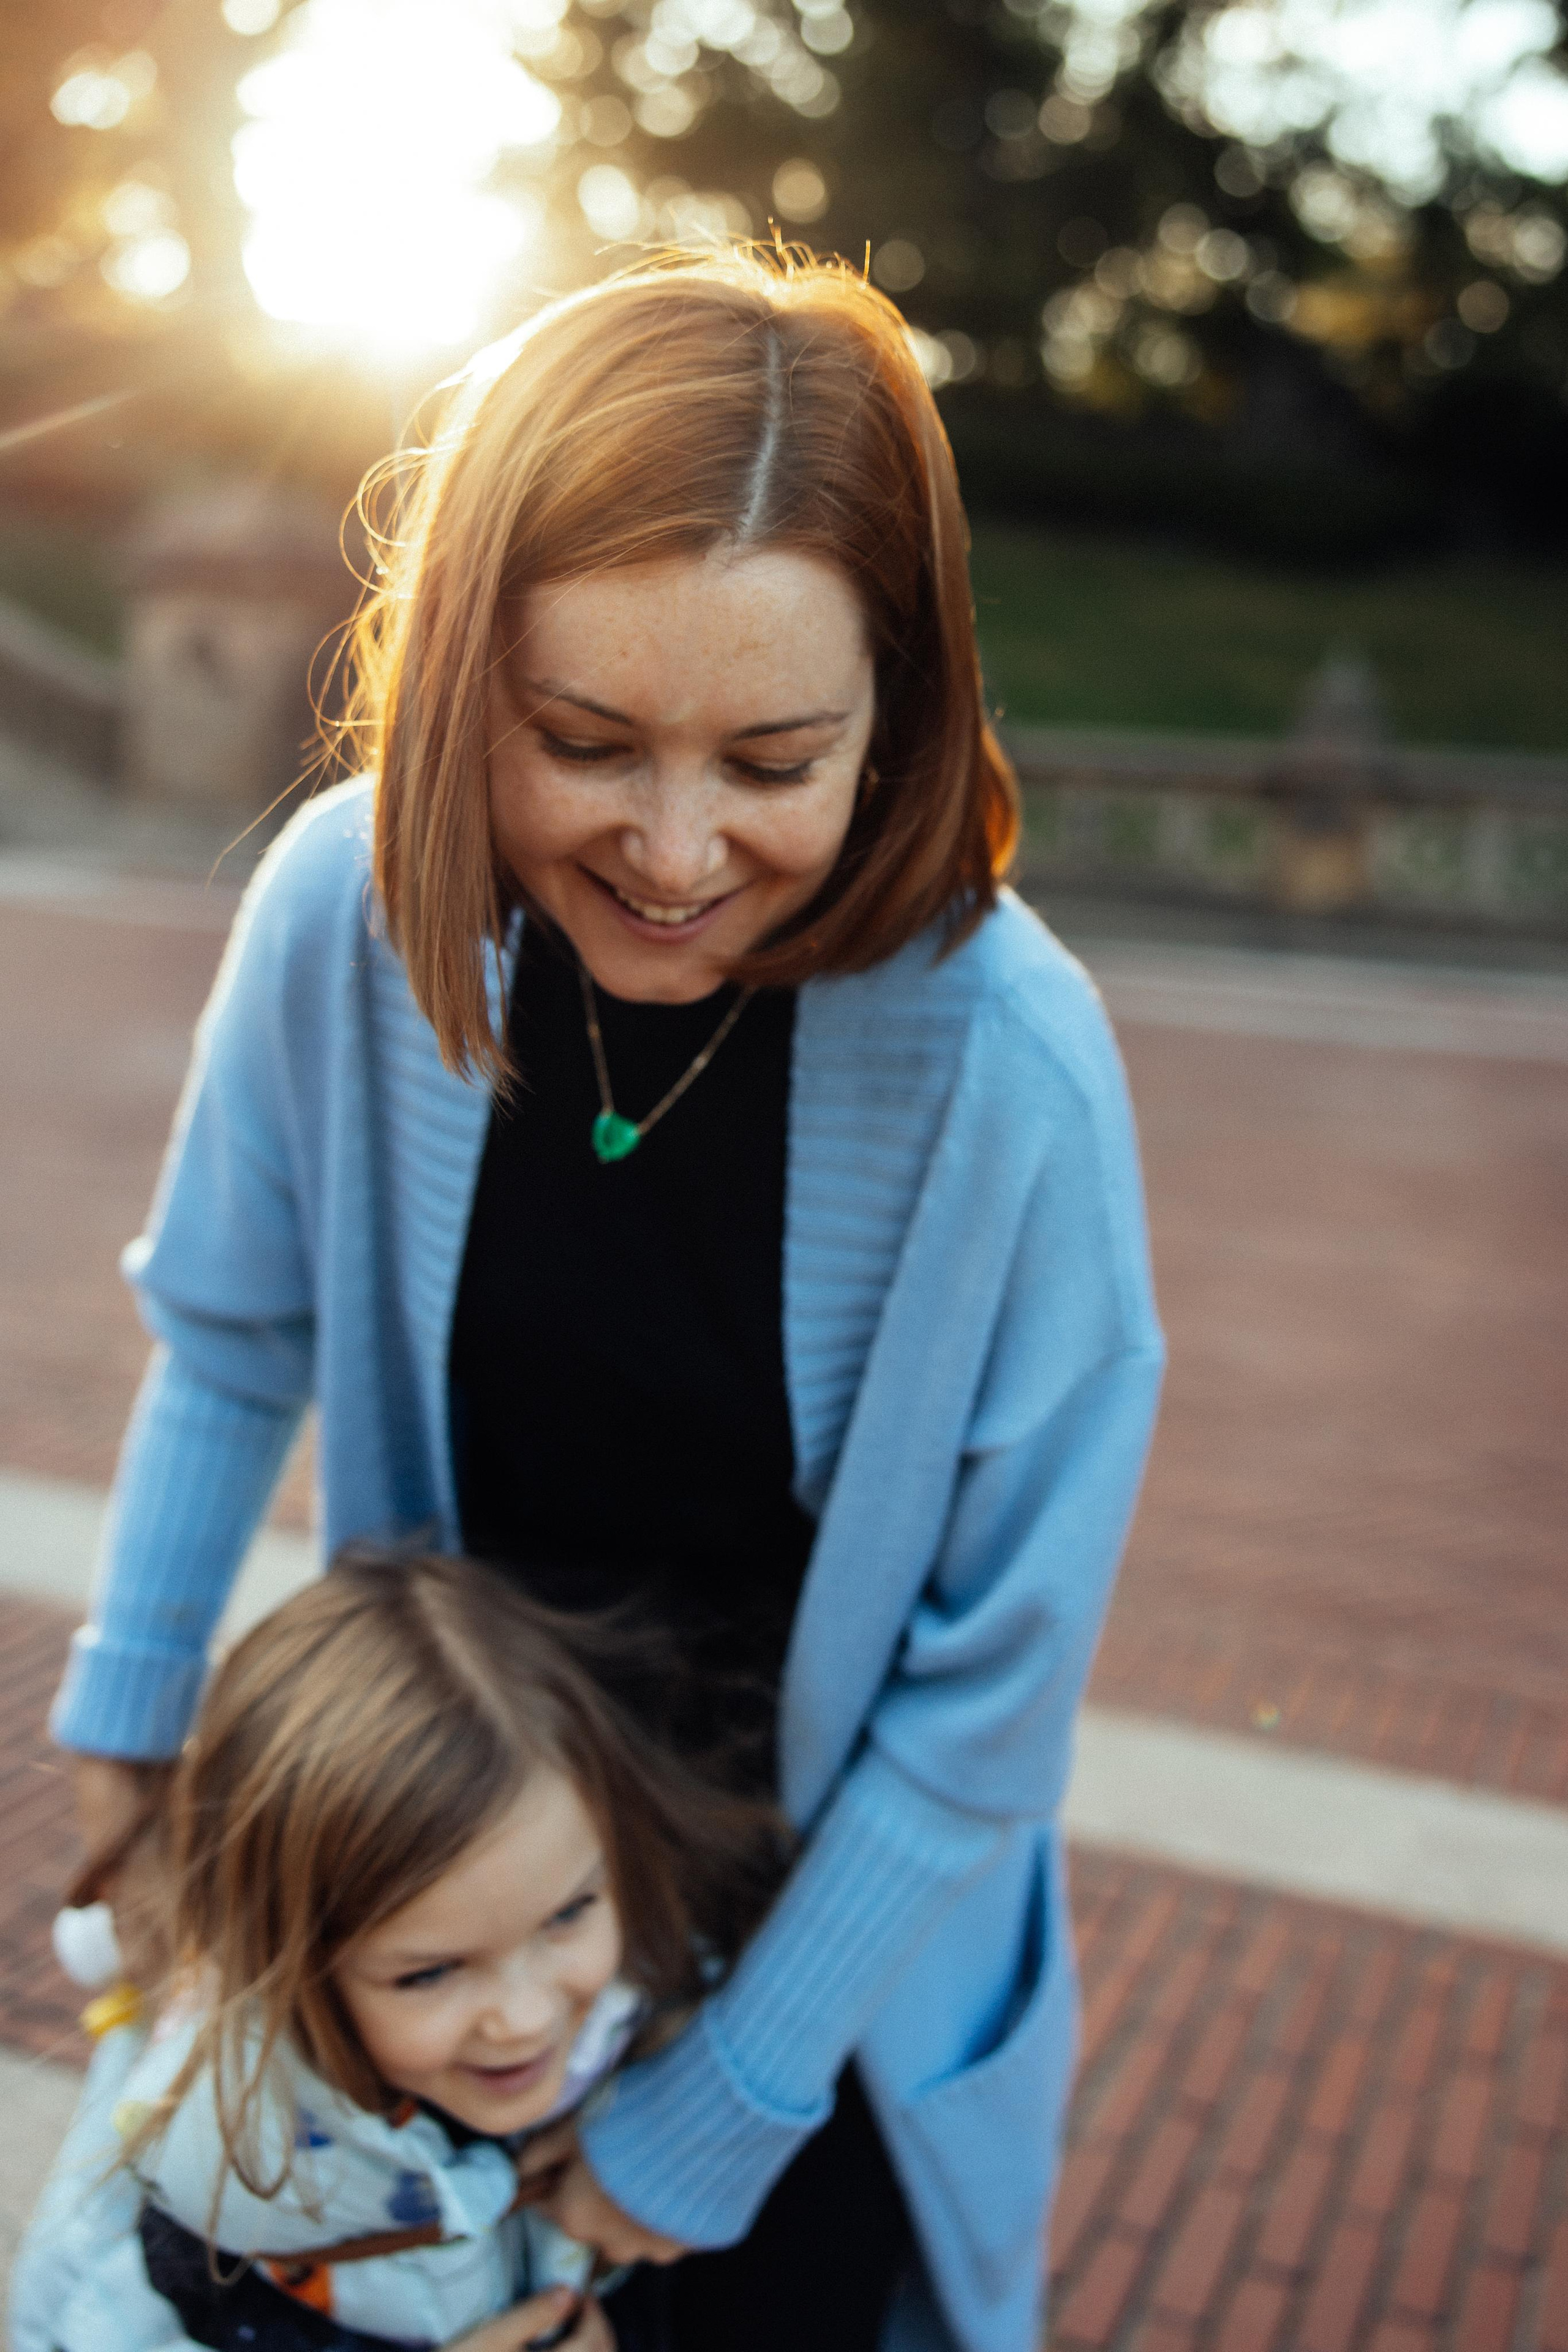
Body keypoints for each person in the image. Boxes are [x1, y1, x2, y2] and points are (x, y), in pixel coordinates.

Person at [50, 247, 1165, 2352]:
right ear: (468, 674)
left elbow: (986, 1706)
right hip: (433, 1919)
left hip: (803, 1986)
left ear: (897, 716)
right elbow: (230, 1331)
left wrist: (722, 2109)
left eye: (771, 760)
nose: (672, 851)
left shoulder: (1012, 1068)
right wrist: (132, 1710)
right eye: (582, 742)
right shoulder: (342, 915)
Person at [17, 1550, 784, 2352]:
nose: (524, 2019)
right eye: (429, 1972)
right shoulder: (221, 2178)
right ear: (293, 1960)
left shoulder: (657, 2014)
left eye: (568, 1914)